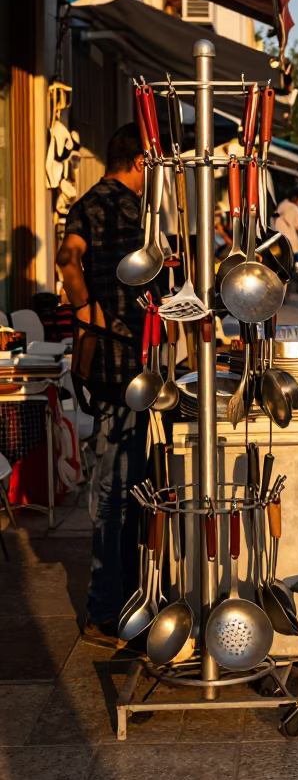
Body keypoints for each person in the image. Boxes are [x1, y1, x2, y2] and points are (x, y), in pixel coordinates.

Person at [57, 123, 150, 646]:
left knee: (124, 484)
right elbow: (68, 262)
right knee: (118, 487)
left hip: (115, 362)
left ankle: (125, 600)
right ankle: (106, 609)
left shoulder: (87, 202)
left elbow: (71, 258)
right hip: (125, 364)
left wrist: (87, 313)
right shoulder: (134, 208)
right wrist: (95, 315)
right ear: (139, 162)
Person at [275, 188, 298, 262]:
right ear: (295, 198)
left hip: (279, 240)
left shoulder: (282, 204)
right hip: (291, 243)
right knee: (295, 263)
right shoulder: (295, 209)